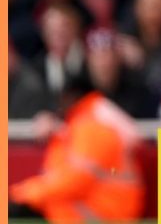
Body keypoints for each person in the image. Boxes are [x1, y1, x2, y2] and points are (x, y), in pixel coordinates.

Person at [9, 75, 146, 222]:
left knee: (33, 205)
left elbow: (75, 180)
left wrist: (25, 193)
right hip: (107, 208)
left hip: (105, 212)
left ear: (71, 97)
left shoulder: (89, 126)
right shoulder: (86, 122)